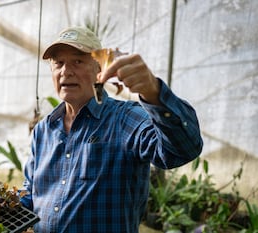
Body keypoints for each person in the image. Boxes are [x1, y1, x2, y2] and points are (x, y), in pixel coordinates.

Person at [19, 26, 203, 233]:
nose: (66, 71)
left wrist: (153, 90)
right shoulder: (44, 130)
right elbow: (30, 191)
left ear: (99, 69)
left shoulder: (124, 118)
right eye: (58, 63)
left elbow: (181, 150)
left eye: (78, 61)